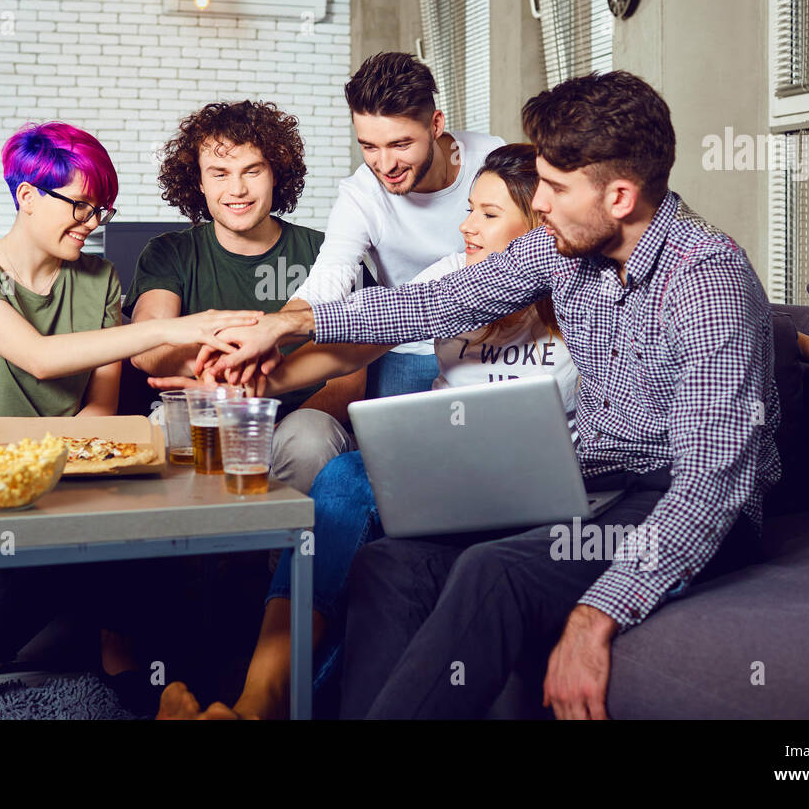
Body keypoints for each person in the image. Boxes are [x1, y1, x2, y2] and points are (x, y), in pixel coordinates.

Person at [202, 71, 779, 719]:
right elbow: (433, 302)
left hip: (681, 502)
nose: (543, 205)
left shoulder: (706, 283)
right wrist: (291, 323)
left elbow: (710, 488)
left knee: (493, 570)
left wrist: (596, 616)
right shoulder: (565, 250)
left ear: (619, 196)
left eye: (556, 189)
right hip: (588, 484)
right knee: (389, 565)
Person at [149, 144, 578, 719]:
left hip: (533, 485)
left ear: (539, 225)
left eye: (488, 214)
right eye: (469, 208)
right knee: (347, 478)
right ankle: (259, 697)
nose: (465, 225)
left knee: (373, 537)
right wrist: (243, 383)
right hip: (439, 465)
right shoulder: (454, 273)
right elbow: (348, 347)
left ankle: (259, 708)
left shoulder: (582, 298)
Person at [0, 121, 264, 720]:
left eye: (101, 210)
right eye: (79, 206)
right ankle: (3, 661)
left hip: (75, 456)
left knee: (141, 503)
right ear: (26, 195)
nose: (92, 222)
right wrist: (168, 327)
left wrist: (81, 456)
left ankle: (114, 647)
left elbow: (101, 409)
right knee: (88, 521)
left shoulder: (100, 279)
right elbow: (39, 359)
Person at [216, 52, 505, 400]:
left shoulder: (493, 160)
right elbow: (329, 278)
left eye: (400, 144)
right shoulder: (361, 196)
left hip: (493, 344)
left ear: (436, 125)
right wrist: (273, 330)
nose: (385, 165)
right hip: (401, 344)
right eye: (369, 146)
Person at [124, 101, 364, 493]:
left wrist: (261, 431)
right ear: (199, 182)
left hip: (300, 419)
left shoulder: (328, 251)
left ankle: (289, 554)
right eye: (219, 174)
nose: (237, 189)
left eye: (252, 171)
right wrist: (231, 367)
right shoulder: (170, 252)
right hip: (202, 411)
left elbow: (351, 376)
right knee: (169, 432)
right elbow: (147, 344)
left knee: (310, 437)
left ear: (275, 174)